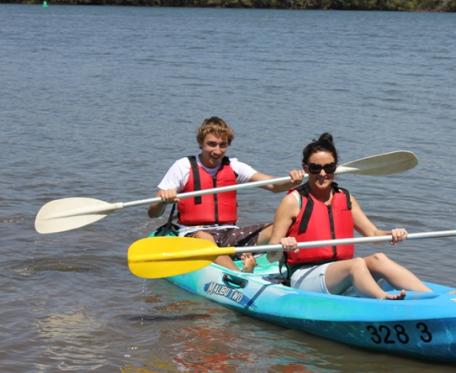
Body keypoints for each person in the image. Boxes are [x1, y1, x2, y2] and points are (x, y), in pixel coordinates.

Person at [267, 133, 438, 300]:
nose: (322, 174)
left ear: (336, 167)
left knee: (379, 258)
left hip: (340, 271)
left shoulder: (346, 198)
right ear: (305, 169)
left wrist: (392, 233)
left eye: (329, 168)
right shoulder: (293, 201)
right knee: (356, 264)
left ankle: (431, 296)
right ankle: (384, 301)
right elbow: (271, 254)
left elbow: (373, 235)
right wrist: (283, 244)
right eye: (315, 168)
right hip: (303, 275)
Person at [147, 116, 304, 273]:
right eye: (211, 144)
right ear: (200, 143)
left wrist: (293, 181)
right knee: (205, 238)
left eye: (222, 145)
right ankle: (239, 274)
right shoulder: (183, 166)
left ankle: (275, 266)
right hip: (194, 233)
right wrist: (163, 201)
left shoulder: (234, 166)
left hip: (228, 232)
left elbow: (273, 185)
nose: (217, 151)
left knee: (277, 228)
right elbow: (153, 213)